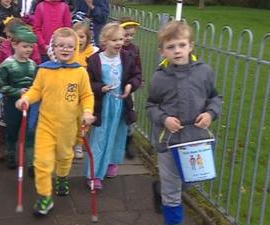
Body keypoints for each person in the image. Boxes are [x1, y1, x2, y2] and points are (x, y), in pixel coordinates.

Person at [146, 21, 222, 225]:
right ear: (162, 51)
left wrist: (210, 114)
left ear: (191, 46)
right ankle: (172, 214)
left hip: (196, 140)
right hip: (170, 142)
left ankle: (160, 188)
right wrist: (164, 119)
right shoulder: (159, 78)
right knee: (172, 191)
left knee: (190, 180)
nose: (177, 51)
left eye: (181, 45)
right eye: (170, 47)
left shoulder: (204, 71)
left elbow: (215, 97)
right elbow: (151, 106)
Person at [15, 27, 95, 216]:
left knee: (65, 156)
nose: (65, 49)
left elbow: (86, 95)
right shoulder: (44, 70)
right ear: (54, 47)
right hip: (46, 125)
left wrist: (88, 111)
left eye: (70, 46)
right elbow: (36, 90)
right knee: (41, 161)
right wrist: (26, 99)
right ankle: (44, 197)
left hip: (68, 126)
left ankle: (62, 177)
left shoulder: (80, 73)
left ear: (76, 48)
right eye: (60, 46)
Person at [85, 22, 142, 190]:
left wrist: (130, 86)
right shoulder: (95, 60)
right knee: (100, 138)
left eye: (121, 39)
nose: (119, 43)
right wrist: (100, 88)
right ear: (104, 42)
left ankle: (111, 162)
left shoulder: (127, 57)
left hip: (121, 105)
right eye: (114, 40)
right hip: (103, 106)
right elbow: (89, 82)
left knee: (118, 135)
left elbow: (136, 76)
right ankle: (94, 174)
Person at [0, 25, 37, 175]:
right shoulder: (7, 64)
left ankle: (31, 162)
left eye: (30, 47)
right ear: (14, 45)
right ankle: (11, 155)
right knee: (12, 131)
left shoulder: (33, 65)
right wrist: (16, 91)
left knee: (30, 133)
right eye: (25, 46)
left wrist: (33, 93)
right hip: (12, 104)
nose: (28, 50)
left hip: (30, 105)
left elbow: (37, 84)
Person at [72, 20, 98, 159]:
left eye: (82, 37)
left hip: (86, 92)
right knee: (71, 119)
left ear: (88, 38)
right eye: (76, 37)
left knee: (82, 119)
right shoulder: (70, 52)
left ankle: (79, 144)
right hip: (71, 91)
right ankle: (70, 141)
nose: (79, 40)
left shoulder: (93, 53)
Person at [119, 17, 142, 160]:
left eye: (131, 35)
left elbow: (138, 65)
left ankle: (128, 141)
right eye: (126, 35)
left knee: (129, 114)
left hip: (129, 86)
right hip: (115, 85)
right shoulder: (115, 46)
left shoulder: (134, 49)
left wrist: (139, 79)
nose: (129, 38)